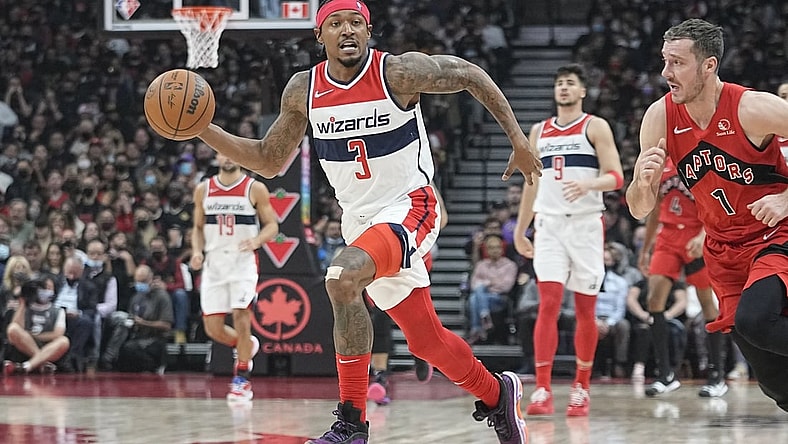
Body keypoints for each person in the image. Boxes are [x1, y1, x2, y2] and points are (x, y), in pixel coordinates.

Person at [192, 0, 541, 441]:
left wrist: (517, 138)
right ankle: (497, 394)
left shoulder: (397, 73)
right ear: (320, 37)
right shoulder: (304, 89)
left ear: (369, 29)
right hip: (360, 220)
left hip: (411, 205)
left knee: (341, 277)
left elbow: (470, 75)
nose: (347, 30)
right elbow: (268, 159)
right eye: (335, 24)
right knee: (425, 342)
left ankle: (351, 424)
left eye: (355, 22)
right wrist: (202, 128)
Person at [627, 18, 788, 412]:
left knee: (757, 321)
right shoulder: (659, 117)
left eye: (677, 63)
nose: (666, 73)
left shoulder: (753, 107)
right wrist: (642, 185)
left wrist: (787, 199)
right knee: (773, 380)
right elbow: (639, 208)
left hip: (774, 235)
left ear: (709, 65)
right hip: (723, 250)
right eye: (665, 61)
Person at [513, 63, 623, 417]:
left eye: (570, 83)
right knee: (548, 303)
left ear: (582, 91)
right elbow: (531, 183)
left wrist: (589, 184)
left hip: (587, 225)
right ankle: (542, 389)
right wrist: (520, 229)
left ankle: (581, 386)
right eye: (559, 83)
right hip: (549, 225)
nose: (563, 88)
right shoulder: (538, 131)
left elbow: (616, 176)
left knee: (584, 309)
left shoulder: (595, 126)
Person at [190, 153, 278, 401]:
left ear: (240, 156)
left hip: (242, 263)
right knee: (214, 329)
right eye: (222, 153)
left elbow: (272, 225)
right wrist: (197, 251)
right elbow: (197, 228)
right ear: (216, 157)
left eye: (231, 152)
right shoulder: (203, 189)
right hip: (214, 264)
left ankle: (241, 379)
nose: (227, 157)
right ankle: (246, 347)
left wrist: (257, 240)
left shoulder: (255, 188)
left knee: (241, 315)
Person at [637, 157, 727, 398]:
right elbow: (654, 209)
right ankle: (665, 374)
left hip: (695, 236)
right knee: (654, 301)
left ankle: (717, 375)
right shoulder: (661, 163)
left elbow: (716, 203)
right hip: (667, 237)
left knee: (708, 305)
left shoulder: (700, 158)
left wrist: (704, 234)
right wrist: (646, 248)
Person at [99, 265, 173, 373]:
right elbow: (131, 317)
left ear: (151, 279)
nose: (140, 285)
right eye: (137, 281)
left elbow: (166, 325)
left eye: (143, 281)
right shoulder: (136, 297)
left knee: (129, 349)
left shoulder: (162, 297)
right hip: (137, 336)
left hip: (155, 339)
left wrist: (144, 323)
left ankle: (155, 367)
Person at [3, 276, 69, 375]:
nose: (45, 291)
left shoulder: (58, 311)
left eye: (49, 288)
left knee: (64, 341)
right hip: (25, 345)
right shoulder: (26, 306)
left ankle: (26, 366)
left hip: (47, 346)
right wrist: (22, 302)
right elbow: (15, 328)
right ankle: (41, 364)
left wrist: (35, 336)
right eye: (43, 288)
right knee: (12, 328)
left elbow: (57, 334)